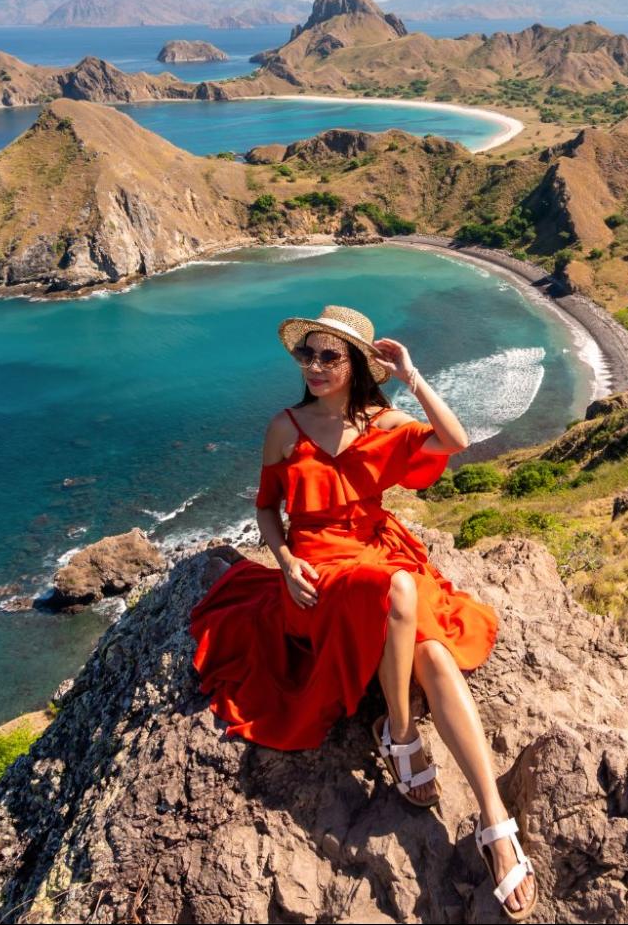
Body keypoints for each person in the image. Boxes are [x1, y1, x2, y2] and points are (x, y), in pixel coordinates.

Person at [187, 304, 537, 919]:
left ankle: (492, 818)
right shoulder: (284, 425)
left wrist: (414, 376)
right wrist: (286, 562)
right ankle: (403, 737)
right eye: (307, 354)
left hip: (378, 551)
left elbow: (454, 440)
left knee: (429, 648)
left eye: (329, 356)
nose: (314, 366)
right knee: (401, 592)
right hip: (319, 573)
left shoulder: (383, 421)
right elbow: (268, 508)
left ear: (355, 366)